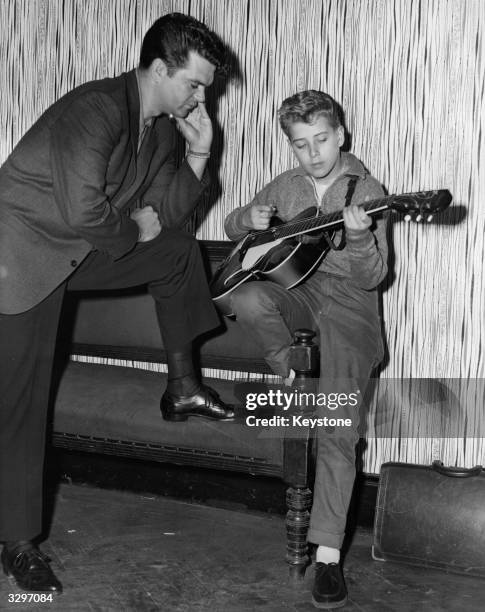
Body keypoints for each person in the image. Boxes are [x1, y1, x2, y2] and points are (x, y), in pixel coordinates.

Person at [0, 13, 235, 594]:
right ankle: (20, 544)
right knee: (21, 403)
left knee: (180, 250)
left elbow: (167, 218)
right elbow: (86, 211)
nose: (202, 96)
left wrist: (201, 155)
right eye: (195, 84)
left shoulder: (158, 131)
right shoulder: (96, 108)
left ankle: (182, 386)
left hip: (78, 252)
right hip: (22, 257)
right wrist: (135, 226)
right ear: (159, 70)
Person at [224, 90, 388, 609]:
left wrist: (359, 238)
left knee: (338, 429)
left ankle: (328, 559)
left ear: (340, 134)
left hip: (350, 308)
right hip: (298, 296)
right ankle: (286, 365)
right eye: (301, 144)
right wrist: (246, 219)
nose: (314, 153)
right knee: (245, 295)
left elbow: (375, 275)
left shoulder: (367, 190)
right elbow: (235, 227)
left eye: (322, 139)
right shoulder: (289, 184)